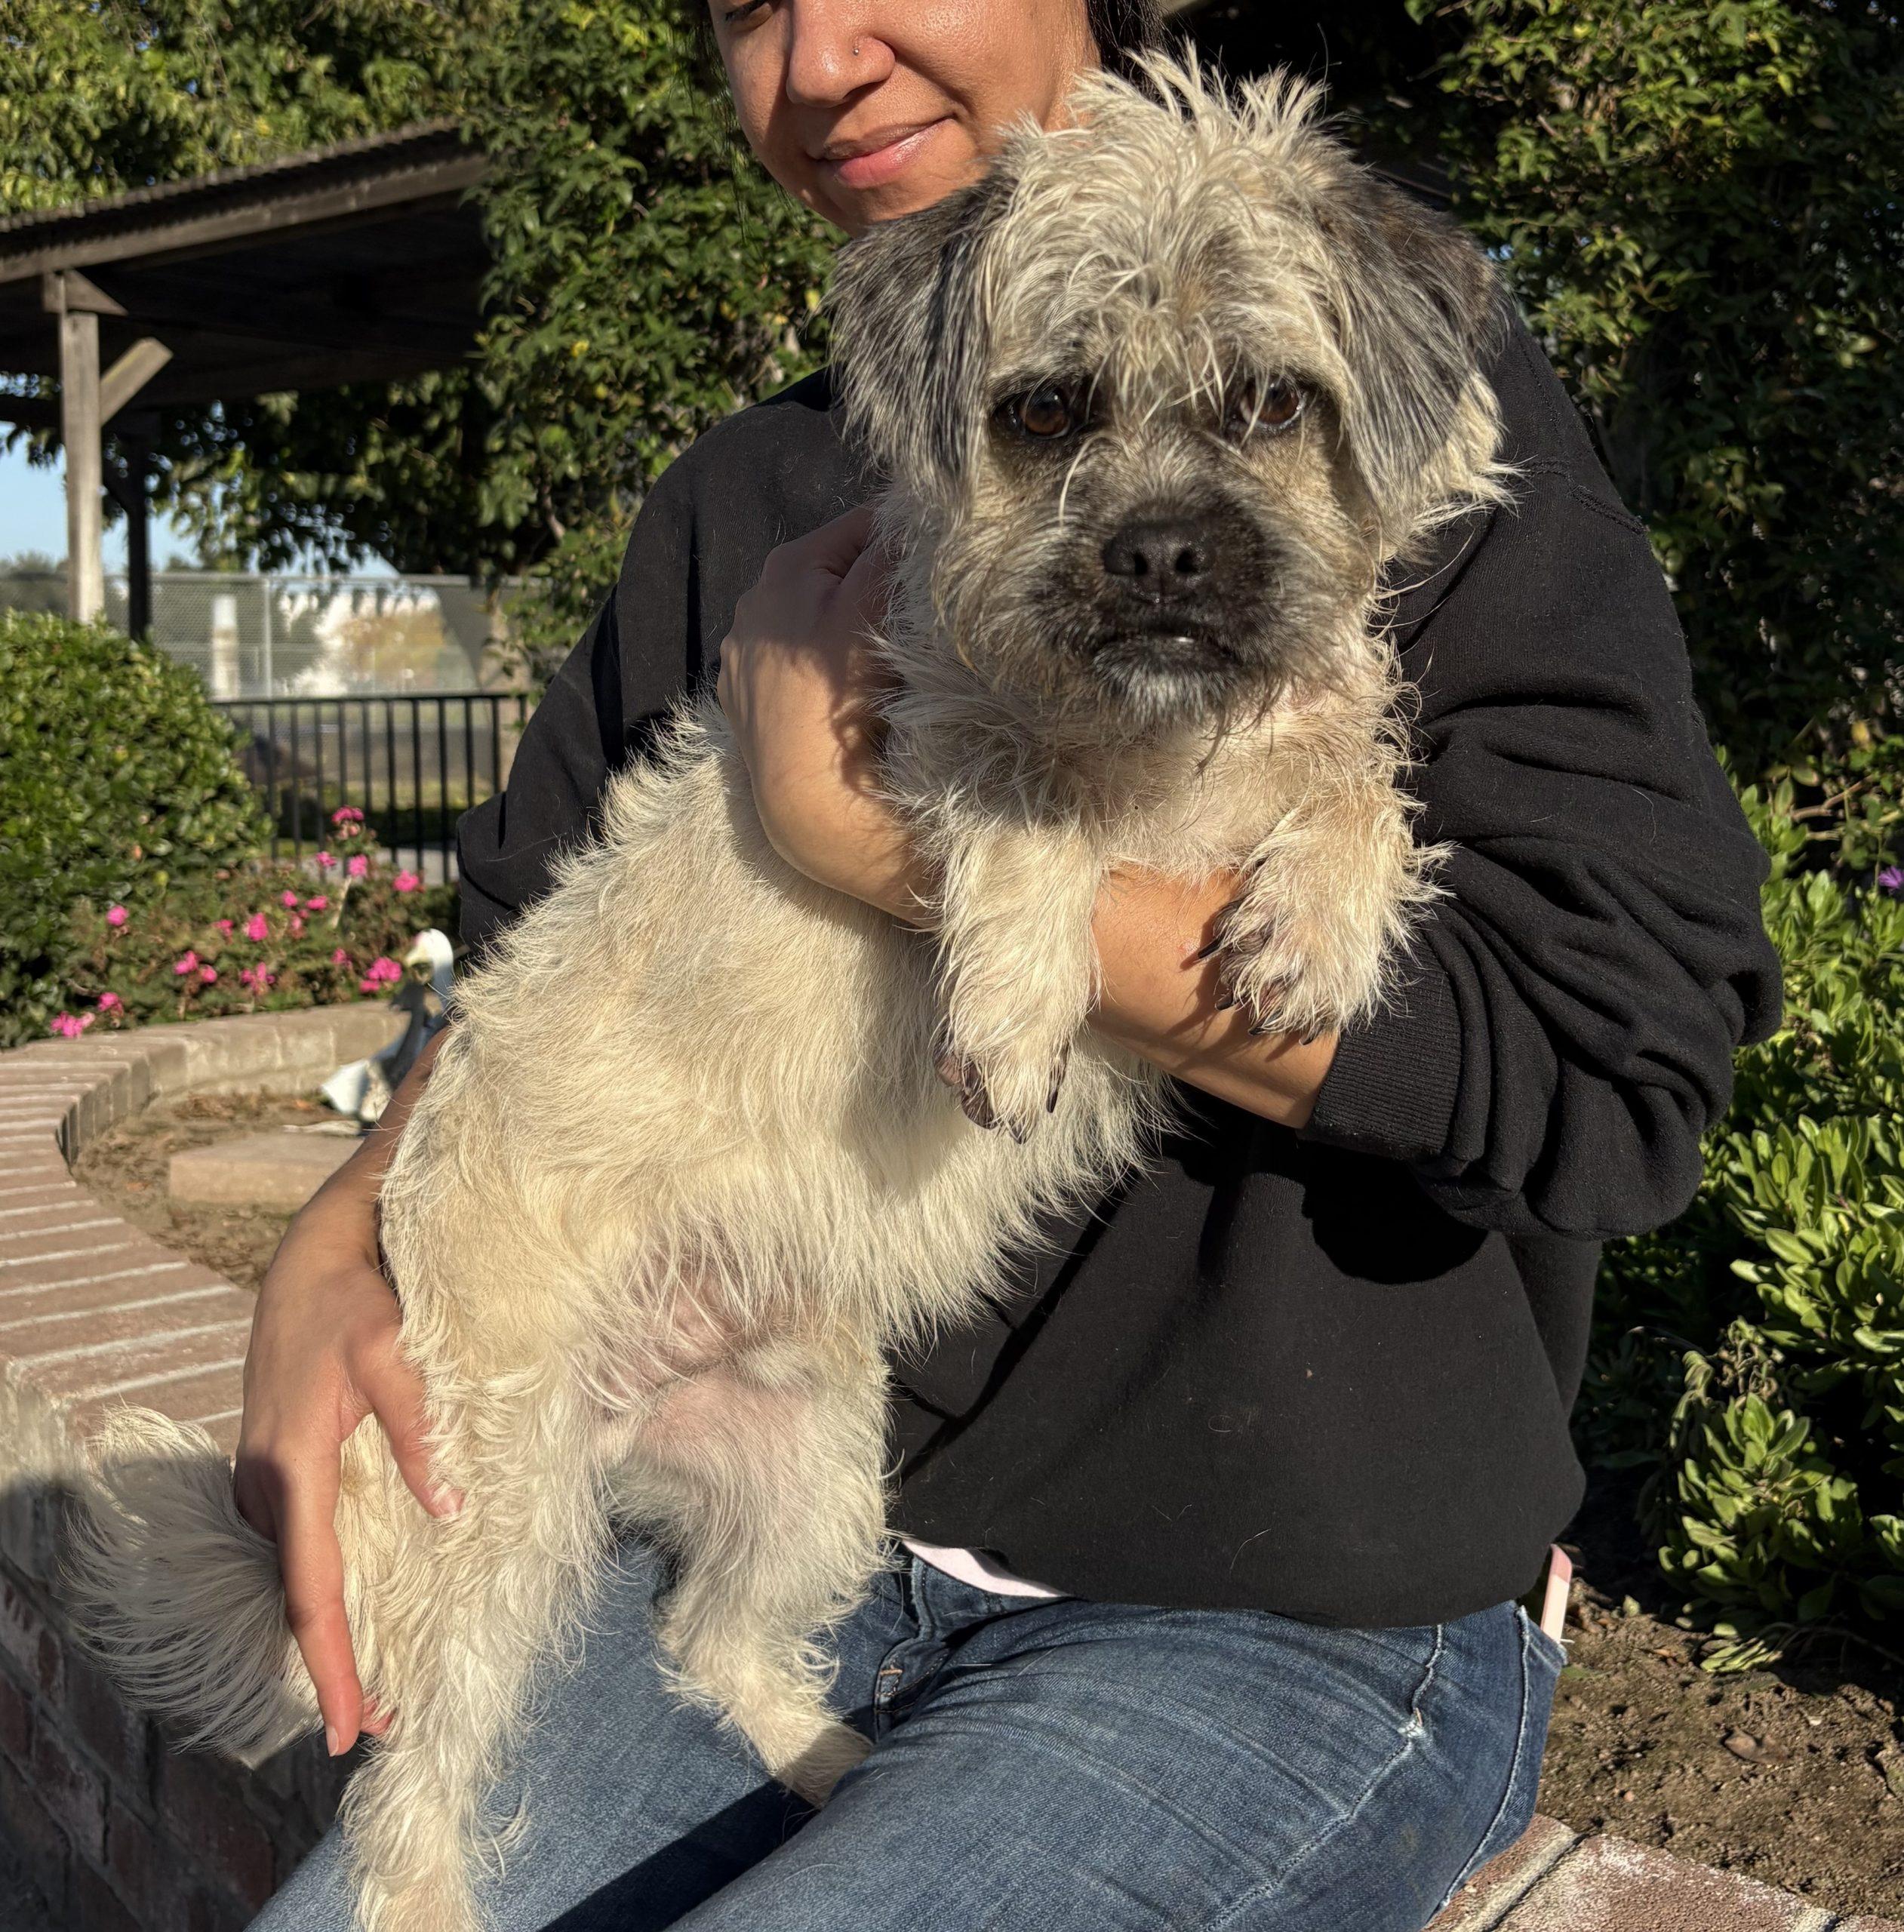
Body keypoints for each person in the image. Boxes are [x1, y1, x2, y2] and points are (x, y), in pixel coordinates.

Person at [245, 3, 1783, 1927]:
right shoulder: (735, 495)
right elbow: (514, 953)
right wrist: (335, 1234)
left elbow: (1619, 1070)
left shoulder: (1402, 397)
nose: (819, 60)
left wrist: (866, 838)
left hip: (1280, 1613)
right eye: (745, 3)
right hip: (781, 1523)